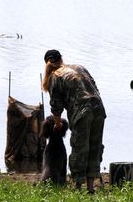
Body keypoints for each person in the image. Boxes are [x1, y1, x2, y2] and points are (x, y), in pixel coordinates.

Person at [41, 49, 106, 193]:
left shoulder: (54, 76)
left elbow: (55, 106)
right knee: (94, 147)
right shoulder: (79, 67)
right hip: (99, 109)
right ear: (61, 59)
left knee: (79, 148)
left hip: (82, 112)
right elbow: (94, 87)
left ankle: (77, 187)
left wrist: (57, 123)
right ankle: (90, 188)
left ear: (47, 64)